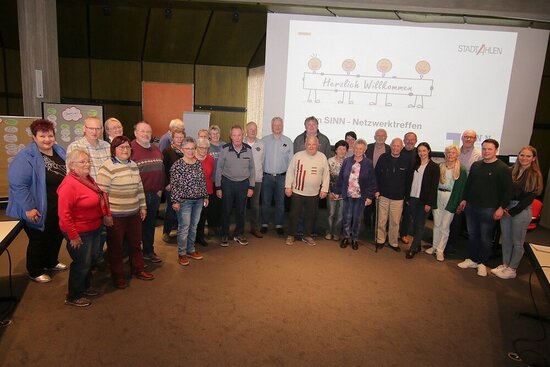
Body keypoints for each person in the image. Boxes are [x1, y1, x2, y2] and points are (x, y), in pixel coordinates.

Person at [7, 119, 67, 283]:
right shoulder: (26, 156)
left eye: (50, 135)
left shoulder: (59, 150)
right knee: (38, 239)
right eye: (42, 136)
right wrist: (29, 208)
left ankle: (50, 261)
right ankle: (35, 270)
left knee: (55, 235)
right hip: (37, 206)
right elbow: (18, 185)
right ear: (34, 137)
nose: (47, 139)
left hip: (56, 205)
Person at [97, 136, 154, 289]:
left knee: (136, 244)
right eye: (121, 147)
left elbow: (139, 188)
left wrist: (143, 206)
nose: (125, 150)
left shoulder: (134, 165)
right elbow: (102, 195)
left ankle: (138, 270)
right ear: (113, 150)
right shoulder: (107, 167)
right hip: (116, 216)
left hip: (134, 213)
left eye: (128, 147)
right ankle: (118, 277)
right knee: (116, 248)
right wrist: (106, 215)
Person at [58, 149, 111, 307]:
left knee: (91, 259)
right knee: (82, 263)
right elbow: (64, 214)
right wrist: (73, 236)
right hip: (80, 232)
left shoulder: (86, 179)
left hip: (94, 227)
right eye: (82, 161)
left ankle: (85, 286)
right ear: (71, 165)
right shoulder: (69, 185)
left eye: (88, 160)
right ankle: (73, 296)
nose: (87, 164)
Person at [458, 139, 513, 277]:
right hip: (471, 206)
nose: (486, 151)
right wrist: (464, 199)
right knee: (473, 234)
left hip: (489, 209)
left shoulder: (503, 168)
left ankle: (482, 263)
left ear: (496, 150)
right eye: (484, 149)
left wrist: (501, 208)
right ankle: (472, 259)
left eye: (489, 149)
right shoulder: (476, 165)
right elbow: (469, 184)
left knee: (485, 237)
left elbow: (508, 191)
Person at [67, 116, 111, 267]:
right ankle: (88, 263)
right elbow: (72, 175)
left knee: (102, 232)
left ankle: (97, 257)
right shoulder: (75, 146)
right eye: (91, 128)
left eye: (98, 128)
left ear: (102, 130)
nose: (94, 131)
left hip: (105, 198)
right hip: (86, 199)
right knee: (88, 236)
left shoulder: (107, 146)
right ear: (84, 129)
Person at [493, 146, 543, 279]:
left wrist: (513, 211)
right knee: (506, 239)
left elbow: (530, 197)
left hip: (521, 210)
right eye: (522, 155)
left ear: (533, 158)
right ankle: (505, 264)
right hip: (507, 208)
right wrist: (503, 207)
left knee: (517, 242)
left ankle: (512, 269)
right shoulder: (512, 171)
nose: (524, 158)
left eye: (528, 156)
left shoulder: (534, 174)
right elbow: (505, 191)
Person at [170, 137, 209, 266]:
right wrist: (175, 201)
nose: (191, 151)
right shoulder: (177, 165)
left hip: (198, 201)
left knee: (194, 226)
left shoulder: (198, 163)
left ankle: (191, 249)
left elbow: (202, 181)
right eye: (188, 148)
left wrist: (205, 196)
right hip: (183, 202)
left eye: (193, 148)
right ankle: (182, 253)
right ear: (182, 149)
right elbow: (174, 185)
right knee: (184, 227)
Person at [424, 145, 467, 261]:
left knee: (445, 226)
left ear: (457, 154)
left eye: (453, 153)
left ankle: (440, 250)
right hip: (438, 196)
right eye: (448, 153)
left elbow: (462, 188)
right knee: (437, 224)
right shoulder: (440, 167)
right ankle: (434, 246)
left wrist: (459, 203)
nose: (450, 155)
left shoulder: (461, 170)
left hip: (451, 197)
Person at [285, 136, 329, 246]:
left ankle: (307, 236)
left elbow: (326, 175)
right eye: (309, 144)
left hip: (314, 193)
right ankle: (291, 235)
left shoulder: (322, 157)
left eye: (314, 144)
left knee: (311, 216)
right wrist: (288, 187)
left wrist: (324, 189)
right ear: (305, 145)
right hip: (297, 191)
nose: (311, 146)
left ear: (318, 145)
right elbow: (290, 171)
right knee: (294, 215)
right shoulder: (297, 156)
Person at [215, 125, 255, 247]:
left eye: (239, 135)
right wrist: (218, 187)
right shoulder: (225, 149)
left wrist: (251, 186)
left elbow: (252, 168)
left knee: (241, 211)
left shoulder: (248, 149)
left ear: (242, 136)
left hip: (243, 184)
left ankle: (239, 234)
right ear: (230, 136)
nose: (237, 138)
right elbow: (219, 168)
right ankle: (224, 234)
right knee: (226, 210)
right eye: (234, 135)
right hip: (228, 183)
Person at [131, 121, 165, 263]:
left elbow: (161, 170)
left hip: (154, 194)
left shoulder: (156, 148)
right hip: (138, 196)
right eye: (142, 131)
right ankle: (135, 256)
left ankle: (148, 251)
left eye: (148, 132)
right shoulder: (130, 149)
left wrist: (160, 189)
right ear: (135, 133)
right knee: (135, 228)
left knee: (149, 225)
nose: (145, 134)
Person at [334, 139, 377, 250]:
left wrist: (370, 196)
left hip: (360, 196)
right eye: (356, 148)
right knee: (347, 217)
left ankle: (354, 239)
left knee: (357, 218)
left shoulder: (368, 163)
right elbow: (341, 178)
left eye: (361, 149)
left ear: (365, 150)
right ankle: (345, 237)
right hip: (347, 195)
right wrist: (337, 191)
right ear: (353, 149)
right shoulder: (347, 161)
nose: (358, 150)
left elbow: (372, 181)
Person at [446, 129, 482, 254]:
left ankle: (451, 244)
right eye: (466, 137)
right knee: (446, 217)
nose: (468, 139)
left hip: (465, 191)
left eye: (471, 137)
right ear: (462, 138)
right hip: (450, 188)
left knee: (457, 218)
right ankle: (443, 240)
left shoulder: (478, 155)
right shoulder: (456, 151)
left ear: (475, 139)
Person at [374, 138, 411, 252]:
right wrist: (376, 190)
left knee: (395, 221)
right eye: (394, 146)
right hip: (383, 195)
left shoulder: (406, 160)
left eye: (398, 146)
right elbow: (376, 175)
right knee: (381, 220)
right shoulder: (383, 158)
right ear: (390, 146)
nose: (395, 148)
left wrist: (407, 196)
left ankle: (393, 242)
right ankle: (380, 240)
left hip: (398, 197)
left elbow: (409, 180)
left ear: (402, 147)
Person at [404, 142, 439, 259]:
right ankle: (417, 245)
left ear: (428, 151)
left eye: (424, 151)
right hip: (413, 198)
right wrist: (408, 197)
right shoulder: (415, 164)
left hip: (424, 201)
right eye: (419, 151)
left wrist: (429, 202)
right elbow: (409, 181)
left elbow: (434, 187)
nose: (421, 153)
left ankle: (413, 248)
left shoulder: (434, 166)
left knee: (419, 225)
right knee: (415, 223)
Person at [260, 117, 294, 236]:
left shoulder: (288, 141)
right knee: (265, 202)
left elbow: (291, 163)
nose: (277, 127)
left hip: (281, 177)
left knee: (280, 203)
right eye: (275, 125)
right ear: (271, 126)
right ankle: (264, 223)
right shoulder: (264, 141)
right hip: (267, 176)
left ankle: (279, 224)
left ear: (282, 126)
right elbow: (259, 159)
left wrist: (290, 180)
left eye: (280, 125)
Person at [161, 127, 185, 243]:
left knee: (183, 209)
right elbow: (163, 169)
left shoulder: (186, 150)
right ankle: (166, 232)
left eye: (181, 137)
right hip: (171, 186)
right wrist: (166, 183)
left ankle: (181, 231)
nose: (179, 139)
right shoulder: (167, 151)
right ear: (173, 138)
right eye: (177, 137)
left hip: (185, 186)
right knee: (171, 210)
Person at [364, 128, 391, 229]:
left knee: (379, 207)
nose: (380, 138)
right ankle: (367, 226)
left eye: (382, 136)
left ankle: (376, 227)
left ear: (386, 138)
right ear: (374, 137)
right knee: (367, 205)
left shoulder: (389, 149)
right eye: (378, 136)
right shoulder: (368, 147)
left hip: (382, 182)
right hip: (368, 181)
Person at [245, 121, 265, 238]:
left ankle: (255, 228)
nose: (253, 131)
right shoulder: (240, 142)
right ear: (246, 130)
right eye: (251, 129)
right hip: (243, 179)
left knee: (255, 205)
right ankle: (239, 228)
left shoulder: (262, 144)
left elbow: (261, 161)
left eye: (255, 129)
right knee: (241, 205)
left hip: (257, 179)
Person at [326, 140, 348, 241]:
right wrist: (330, 192)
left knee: (340, 215)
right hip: (331, 192)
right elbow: (326, 178)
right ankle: (329, 232)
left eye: (344, 149)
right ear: (336, 150)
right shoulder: (329, 161)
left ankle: (336, 233)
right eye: (340, 148)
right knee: (331, 213)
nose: (342, 151)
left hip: (344, 194)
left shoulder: (349, 162)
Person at [195, 137, 215, 247]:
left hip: (206, 192)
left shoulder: (211, 159)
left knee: (203, 216)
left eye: (206, 148)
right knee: (193, 217)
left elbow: (211, 175)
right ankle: (191, 238)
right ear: (196, 147)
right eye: (201, 148)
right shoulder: (191, 158)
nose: (204, 150)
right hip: (193, 193)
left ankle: (200, 237)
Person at [399, 131, 418, 245]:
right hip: (399, 186)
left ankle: (403, 234)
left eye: (412, 140)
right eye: (407, 139)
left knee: (407, 213)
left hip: (412, 188)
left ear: (415, 141)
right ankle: (392, 232)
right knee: (395, 213)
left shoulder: (419, 153)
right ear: (404, 140)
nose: (410, 141)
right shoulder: (399, 152)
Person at [207, 125, 225, 236]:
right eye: (213, 133)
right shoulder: (207, 146)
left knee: (220, 205)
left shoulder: (224, 146)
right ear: (209, 135)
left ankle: (218, 225)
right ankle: (211, 226)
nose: (215, 135)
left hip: (222, 181)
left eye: (217, 133)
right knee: (211, 205)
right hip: (211, 181)